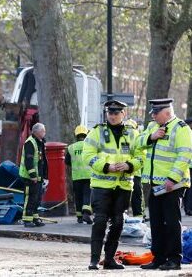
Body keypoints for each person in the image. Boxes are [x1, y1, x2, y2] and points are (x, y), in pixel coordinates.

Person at [82, 100, 142, 270]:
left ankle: (109, 259)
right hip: (102, 185)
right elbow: (87, 155)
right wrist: (106, 166)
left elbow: (140, 155)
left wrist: (130, 165)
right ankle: (94, 260)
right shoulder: (97, 132)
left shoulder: (132, 133)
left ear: (123, 114)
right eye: (110, 113)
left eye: (116, 113)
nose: (113, 116)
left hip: (123, 185)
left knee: (118, 222)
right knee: (100, 220)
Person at [138, 98, 192, 271]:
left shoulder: (181, 128)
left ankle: (174, 259)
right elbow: (136, 144)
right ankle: (159, 258)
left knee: (171, 222)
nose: (153, 116)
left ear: (167, 112)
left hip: (173, 185)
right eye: (152, 112)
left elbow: (184, 156)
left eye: (156, 113)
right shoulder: (153, 127)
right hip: (155, 184)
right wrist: (151, 137)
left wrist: (173, 178)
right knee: (156, 222)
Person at [18, 123, 48, 228]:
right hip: (30, 177)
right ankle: (27, 219)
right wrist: (33, 175)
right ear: (36, 132)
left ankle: (35, 218)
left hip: (38, 177)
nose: (44, 133)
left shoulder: (40, 142)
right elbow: (29, 160)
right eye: (43, 131)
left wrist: (44, 176)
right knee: (30, 198)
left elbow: (42, 161)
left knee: (37, 198)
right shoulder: (30, 143)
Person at [65, 125, 92, 224]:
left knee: (78, 196)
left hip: (76, 176)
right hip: (89, 175)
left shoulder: (71, 147)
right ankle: (86, 213)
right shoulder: (90, 146)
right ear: (86, 134)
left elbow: (67, 161)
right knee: (87, 195)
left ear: (76, 135)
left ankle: (79, 217)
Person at [125, 119, 145, 219]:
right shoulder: (137, 134)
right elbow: (142, 153)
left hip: (121, 172)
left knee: (123, 196)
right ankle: (139, 217)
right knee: (137, 196)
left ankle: (122, 217)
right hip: (135, 171)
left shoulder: (120, 133)